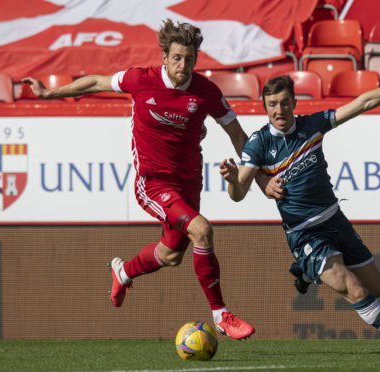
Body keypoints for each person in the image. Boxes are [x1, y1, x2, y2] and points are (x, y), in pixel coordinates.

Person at [22, 19, 282, 340]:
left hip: (188, 184)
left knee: (171, 255)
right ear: (164, 57)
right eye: (176, 58)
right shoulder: (139, 79)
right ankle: (221, 314)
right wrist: (49, 93)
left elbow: (239, 136)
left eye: (189, 58)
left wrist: (260, 181)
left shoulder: (207, 92)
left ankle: (124, 271)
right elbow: (95, 83)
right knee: (202, 229)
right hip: (153, 183)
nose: (183, 65)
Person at [219, 64, 380, 353]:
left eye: (285, 103)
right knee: (357, 292)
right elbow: (238, 194)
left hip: (335, 221)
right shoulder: (258, 144)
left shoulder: (312, 125)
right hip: (304, 234)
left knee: (375, 289)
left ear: (294, 103)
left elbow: (363, 102)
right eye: (272, 104)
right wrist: (230, 181)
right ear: (264, 106)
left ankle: (304, 271)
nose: (279, 110)